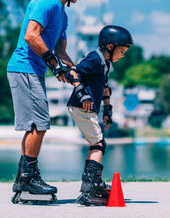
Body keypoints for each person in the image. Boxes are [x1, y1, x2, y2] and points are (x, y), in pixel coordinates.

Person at [6, 0, 94, 204]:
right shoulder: (46, 1)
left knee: (36, 124)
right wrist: (54, 65)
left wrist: (77, 73)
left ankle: (23, 179)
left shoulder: (62, 15)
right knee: (39, 124)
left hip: (33, 70)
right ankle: (28, 179)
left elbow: (61, 53)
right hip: (24, 67)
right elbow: (31, 35)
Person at [65, 25, 133, 206]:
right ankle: (91, 190)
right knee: (99, 144)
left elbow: (105, 88)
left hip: (88, 109)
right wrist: (82, 93)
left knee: (95, 143)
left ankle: (90, 186)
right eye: (122, 51)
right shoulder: (94, 58)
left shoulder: (105, 63)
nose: (123, 55)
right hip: (81, 106)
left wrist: (108, 110)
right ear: (110, 46)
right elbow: (72, 72)